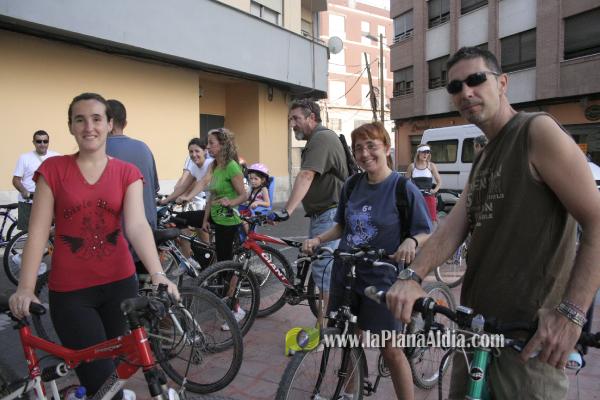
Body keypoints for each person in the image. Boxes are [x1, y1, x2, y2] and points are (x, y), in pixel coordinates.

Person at [386, 47, 600, 399]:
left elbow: (596, 221)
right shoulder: (485, 155)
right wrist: (412, 276)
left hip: (527, 342)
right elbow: (452, 229)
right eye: (455, 87)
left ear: (502, 83)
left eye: (475, 79)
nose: (465, 92)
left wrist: (571, 315)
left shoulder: (535, 131)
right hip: (476, 331)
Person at [8, 92, 179, 400]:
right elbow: (37, 232)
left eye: (97, 119)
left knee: (112, 374)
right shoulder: (53, 170)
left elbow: (137, 226)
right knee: (101, 380)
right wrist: (26, 287)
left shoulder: (127, 172)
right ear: (71, 127)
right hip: (71, 293)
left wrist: (158, 274)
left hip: (120, 287)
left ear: (110, 124)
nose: (89, 127)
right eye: (80, 120)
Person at [302, 122, 432, 399]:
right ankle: (351, 392)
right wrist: (319, 239)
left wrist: (411, 241)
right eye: (358, 148)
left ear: (387, 148)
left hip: (382, 277)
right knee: (348, 337)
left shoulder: (402, 188)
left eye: (371, 146)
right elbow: (341, 226)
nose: (364, 153)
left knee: (390, 348)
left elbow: (425, 232)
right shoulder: (352, 185)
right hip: (346, 271)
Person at [282, 99, 349, 306]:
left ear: (312, 117)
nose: (292, 124)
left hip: (330, 213)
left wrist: (286, 211)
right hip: (323, 214)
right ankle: (329, 315)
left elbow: (306, 175)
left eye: (296, 119)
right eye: (290, 119)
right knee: (322, 265)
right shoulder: (316, 139)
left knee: (323, 269)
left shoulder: (322, 138)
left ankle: (328, 320)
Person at [105, 99, 160, 274]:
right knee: (144, 286)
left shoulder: (99, 151)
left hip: (115, 239)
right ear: (125, 123)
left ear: (107, 123)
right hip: (146, 237)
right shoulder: (144, 148)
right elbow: (154, 188)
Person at [201, 128, 247, 322]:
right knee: (220, 265)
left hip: (229, 222)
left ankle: (235, 310)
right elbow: (211, 195)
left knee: (226, 268)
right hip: (216, 219)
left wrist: (231, 202)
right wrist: (205, 219)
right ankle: (224, 303)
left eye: (211, 143)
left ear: (222, 145)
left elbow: (243, 195)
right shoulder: (215, 166)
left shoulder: (232, 167)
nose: (208, 146)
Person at [159, 138, 213, 249]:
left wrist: (187, 197)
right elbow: (183, 186)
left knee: (182, 218)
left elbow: (203, 182)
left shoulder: (210, 164)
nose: (194, 154)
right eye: (191, 152)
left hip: (218, 207)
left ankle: (203, 252)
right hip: (209, 206)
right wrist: (165, 200)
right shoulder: (195, 167)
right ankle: (191, 254)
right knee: (182, 219)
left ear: (205, 151)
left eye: (197, 151)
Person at [12, 130, 60, 231]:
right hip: (28, 201)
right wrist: (24, 192)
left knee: (48, 230)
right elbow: (16, 180)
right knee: (28, 232)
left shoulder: (56, 157)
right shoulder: (24, 158)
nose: (42, 144)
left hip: (48, 201)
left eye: (45, 141)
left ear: (48, 142)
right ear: (33, 142)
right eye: (39, 141)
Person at [406, 144, 442, 223]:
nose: (426, 154)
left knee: (432, 221)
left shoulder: (431, 166)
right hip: (416, 198)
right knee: (417, 221)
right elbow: (405, 183)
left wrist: (434, 190)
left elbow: (439, 182)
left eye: (428, 152)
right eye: (423, 152)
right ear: (418, 153)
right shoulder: (412, 166)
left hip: (429, 197)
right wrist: (410, 192)